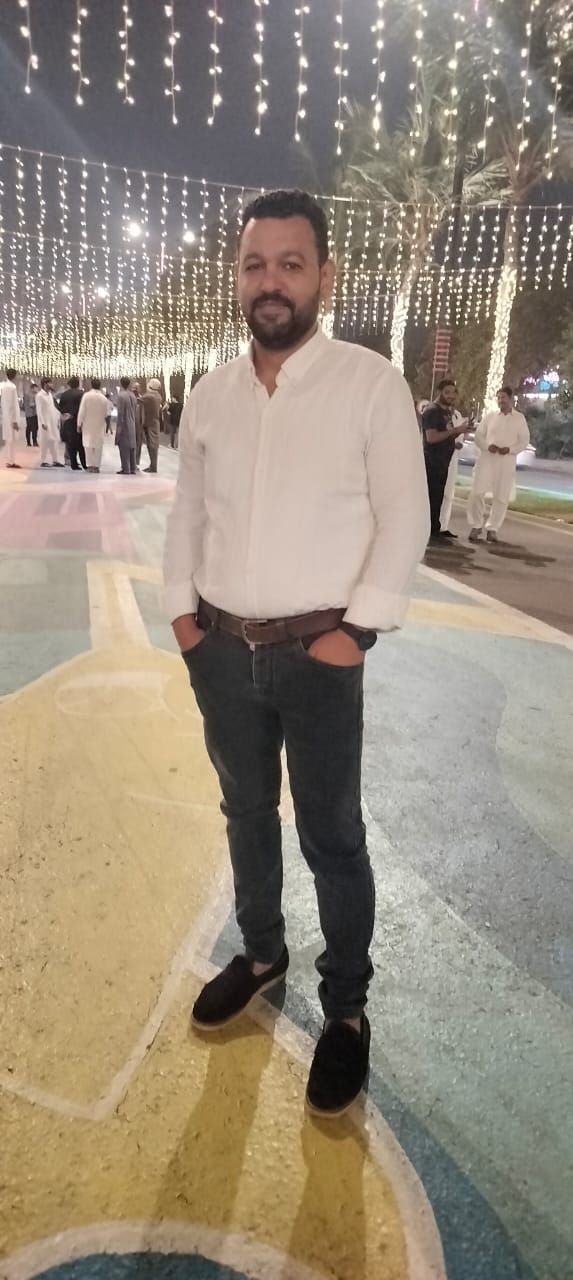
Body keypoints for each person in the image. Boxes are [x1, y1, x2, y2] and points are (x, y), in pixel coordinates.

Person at [164, 188, 429, 1118]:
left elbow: (405, 516)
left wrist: (355, 634)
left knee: (332, 835)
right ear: (237, 278)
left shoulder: (369, 384)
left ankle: (346, 1009)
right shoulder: (210, 395)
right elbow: (188, 515)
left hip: (319, 656)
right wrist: (183, 621)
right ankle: (262, 952)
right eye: (254, 264)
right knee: (244, 811)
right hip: (220, 652)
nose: (269, 281)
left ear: (325, 275)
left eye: (289, 263)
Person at [468, 386, 530, 543]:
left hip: (506, 462)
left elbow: (524, 441)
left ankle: (492, 528)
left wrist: (510, 450)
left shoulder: (519, 419)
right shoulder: (490, 417)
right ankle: (476, 525)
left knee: (501, 496)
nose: (501, 401)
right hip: (487, 459)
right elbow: (479, 436)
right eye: (499, 398)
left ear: (510, 399)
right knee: (477, 492)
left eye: (504, 398)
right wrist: (487, 446)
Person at [421, 379, 469, 543]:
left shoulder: (446, 412)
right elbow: (431, 437)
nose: (450, 396)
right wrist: (455, 430)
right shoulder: (432, 411)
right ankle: (427, 532)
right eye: (447, 392)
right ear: (439, 392)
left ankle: (435, 529)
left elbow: (446, 435)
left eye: (453, 393)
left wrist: (460, 432)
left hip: (443, 461)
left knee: (438, 497)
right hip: (432, 461)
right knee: (430, 497)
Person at [440, 403, 472, 536]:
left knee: (448, 493)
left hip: (453, 458)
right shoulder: (438, 413)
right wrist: (452, 443)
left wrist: (460, 442)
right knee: (437, 492)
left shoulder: (458, 415)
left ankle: (443, 526)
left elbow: (460, 435)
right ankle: (432, 526)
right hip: (439, 457)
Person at [77, 377, 109, 472]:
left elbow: (82, 411)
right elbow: (106, 414)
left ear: (91, 385)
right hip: (99, 425)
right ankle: (96, 466)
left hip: (88, 425)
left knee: (88, 445)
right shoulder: (104, 398)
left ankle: (90, 466)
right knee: (98, 447)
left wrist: (79, 424)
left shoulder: (86, 396)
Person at [56, 377, 86, 471]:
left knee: (71, 443)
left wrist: (66, 413)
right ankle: (84, 463)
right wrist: (74, 414)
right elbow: (82, 407)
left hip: (68, 420)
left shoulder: (64, 394)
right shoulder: (81, 394)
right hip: (77, 420)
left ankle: (73, 463)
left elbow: (60, 406)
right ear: (78, 384)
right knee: (80, 444)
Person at [37, 377, 64, 467]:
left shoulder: (49, 395)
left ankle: (55, 460)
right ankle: (43, 460)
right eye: (50, 383)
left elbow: (52, 408)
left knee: (54, 441)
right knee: (44, 441)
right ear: (45, 384)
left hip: (53, 421)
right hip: (45, 423)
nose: (51, 385)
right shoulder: (40, 395)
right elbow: (39, 410)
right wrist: (42, 422)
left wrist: (59, 417)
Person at [116, 376, 138, 474]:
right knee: (132, 447)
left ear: (121, 383)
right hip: (132, 423)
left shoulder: (121, 396)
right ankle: (133, 468)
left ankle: (126, 468)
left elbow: (120, 412)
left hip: (124, 423)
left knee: (124, 447)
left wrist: (119, 427)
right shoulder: (132, 395)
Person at [0, 367, 22, 469]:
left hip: (6, 416)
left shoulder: (3, 386)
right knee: (11, 440)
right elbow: (13, 405)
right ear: (14, 376)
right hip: (11, 418)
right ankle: (11, 461)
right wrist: (14, 420)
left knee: (9, 440)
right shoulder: (12, 387)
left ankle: (10, 460)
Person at [140, 378, 162, 473]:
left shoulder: (149, 396)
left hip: (150, 423)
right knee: (152, 445)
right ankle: (152, 465)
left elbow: (137, 400)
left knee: (152, 445)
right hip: (154, 422)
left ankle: (153, 467)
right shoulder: (158, 396)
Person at [23, 381, 39, 447]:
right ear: (32, 388)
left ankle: (28, 442)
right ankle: (34, 442)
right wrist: (38, 404)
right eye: (36, 388)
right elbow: (31, 404)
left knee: (29, 428)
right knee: (34, 428)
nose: (37, 390)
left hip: (28, 414)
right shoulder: (31, 395)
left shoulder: (27, 394)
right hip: (32, 414)